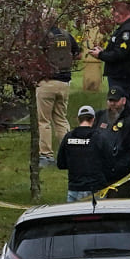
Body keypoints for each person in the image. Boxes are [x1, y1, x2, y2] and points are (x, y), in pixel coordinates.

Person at [36, 21, 80, 168]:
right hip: (64, 83)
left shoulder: (43, 37)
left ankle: (46, 155)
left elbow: (35, 57)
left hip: (47, 82)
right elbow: (78, 54)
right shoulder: (67, 35)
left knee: (44, 121)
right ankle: (69, 153)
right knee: (61, 119)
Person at [96, 86, 130, 198]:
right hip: (99, 174)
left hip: (121, 177)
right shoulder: (100, 116)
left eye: (115, 100)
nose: (112, 103)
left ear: (123, 101)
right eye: (110, 100)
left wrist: (117, 168)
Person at [57, 105, 108, 202]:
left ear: (78, 119)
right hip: (95, 188)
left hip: (74, 188)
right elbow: (109, 161)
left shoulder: (68, 137)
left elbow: (61, 163)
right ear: (93, 119)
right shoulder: (99, 137)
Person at [92, 0, 130, 97]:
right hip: (121, 75)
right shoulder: (125, 28)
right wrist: (104, 52)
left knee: (120, 104)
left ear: (121, 14)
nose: (114, 16)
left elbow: (120, 54)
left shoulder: (127, 31)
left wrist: (100, 55)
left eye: (115, 13)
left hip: (122, 76)